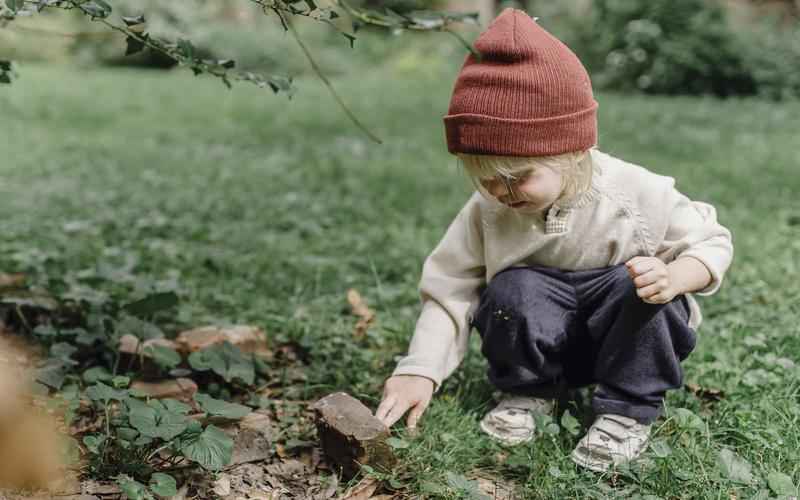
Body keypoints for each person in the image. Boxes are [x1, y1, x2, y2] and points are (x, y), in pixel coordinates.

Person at [373, 8, 733, 472]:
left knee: (645, 291)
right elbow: (450, 289)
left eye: (517, 178)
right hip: (542, 339)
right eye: (487, 180)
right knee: (512, 289)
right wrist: (419, 369)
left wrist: (677, 275)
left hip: (620, 335)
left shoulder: (635, 192)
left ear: (570, 150)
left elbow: (713, 241)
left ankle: (626, 412)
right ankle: (528, 392)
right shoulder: (489, 211)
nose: (502, 193)